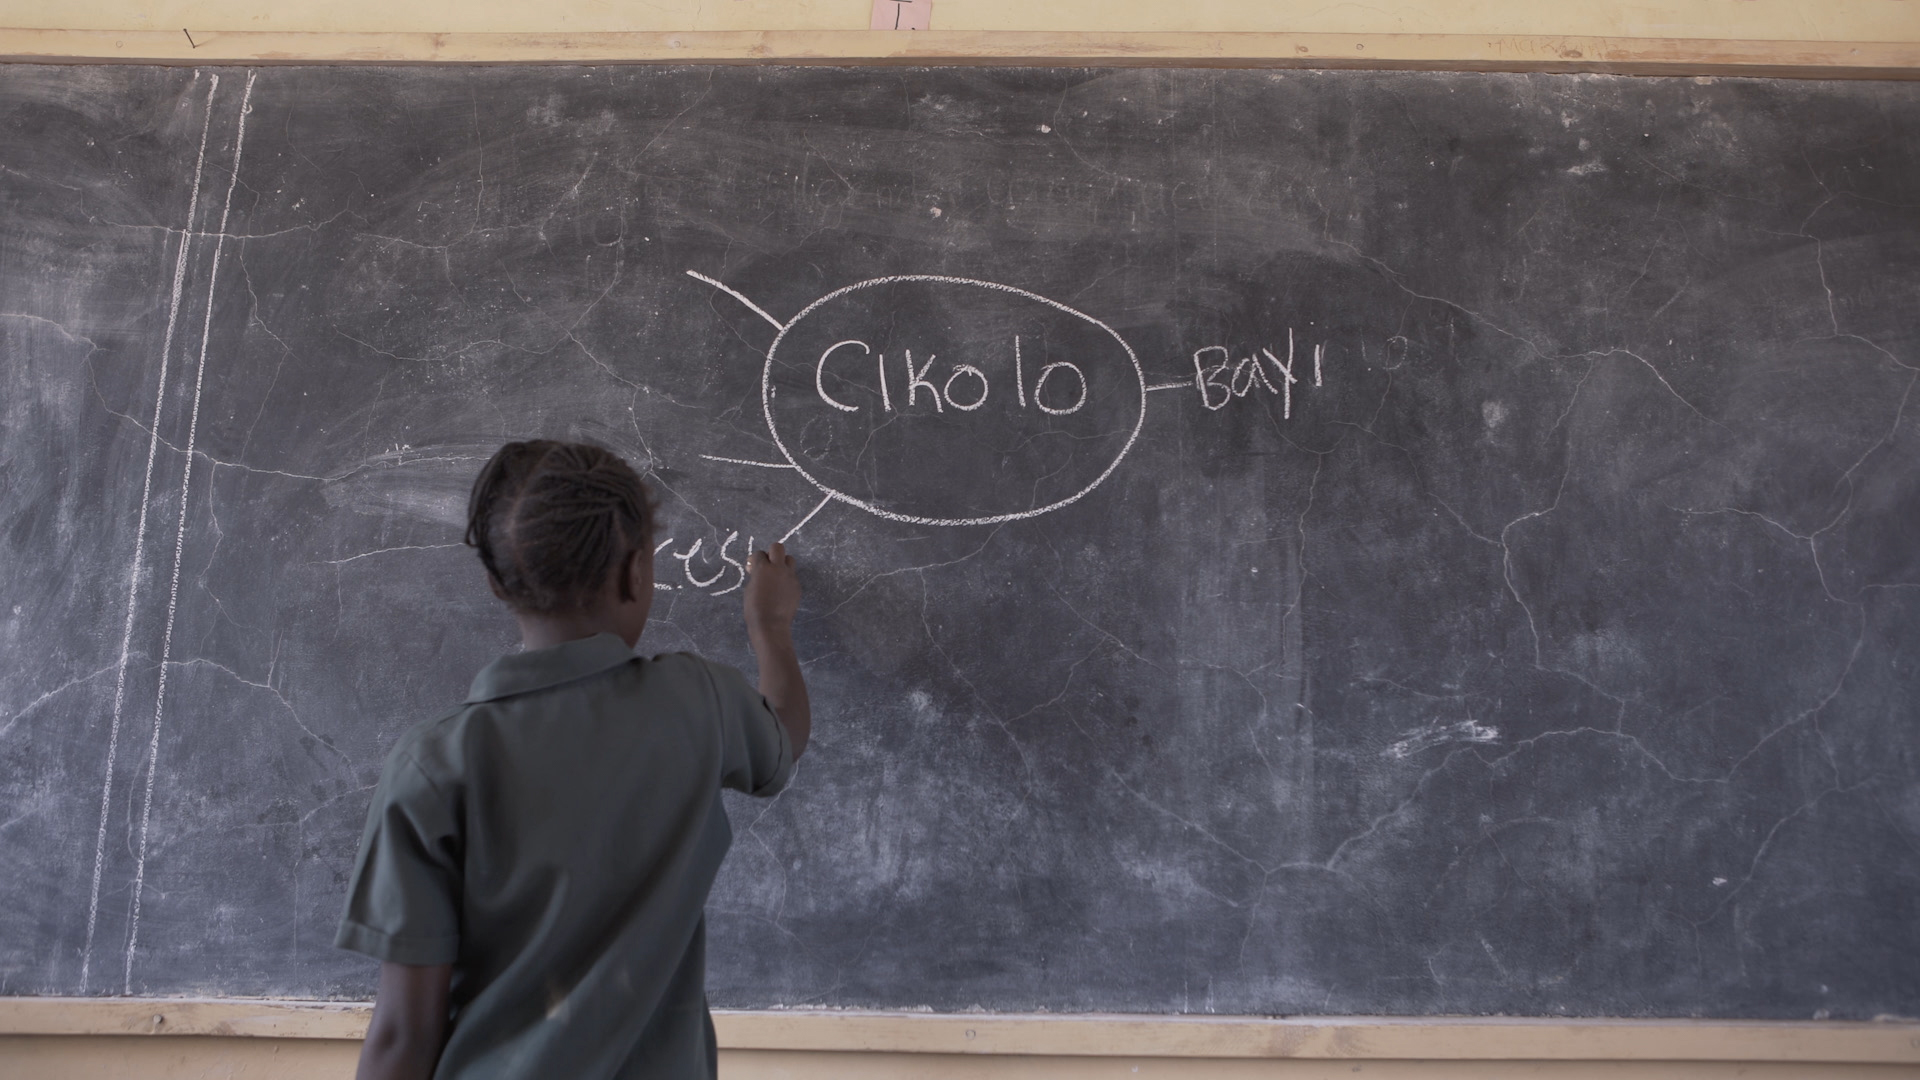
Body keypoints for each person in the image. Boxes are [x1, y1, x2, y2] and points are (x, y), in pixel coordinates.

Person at [335, 440, 811, 1080]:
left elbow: (402, 1033)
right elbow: (782, 733)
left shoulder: (433, 765)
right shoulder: (700, 702)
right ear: (637, 572)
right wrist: (770, 627)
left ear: (496, 582)